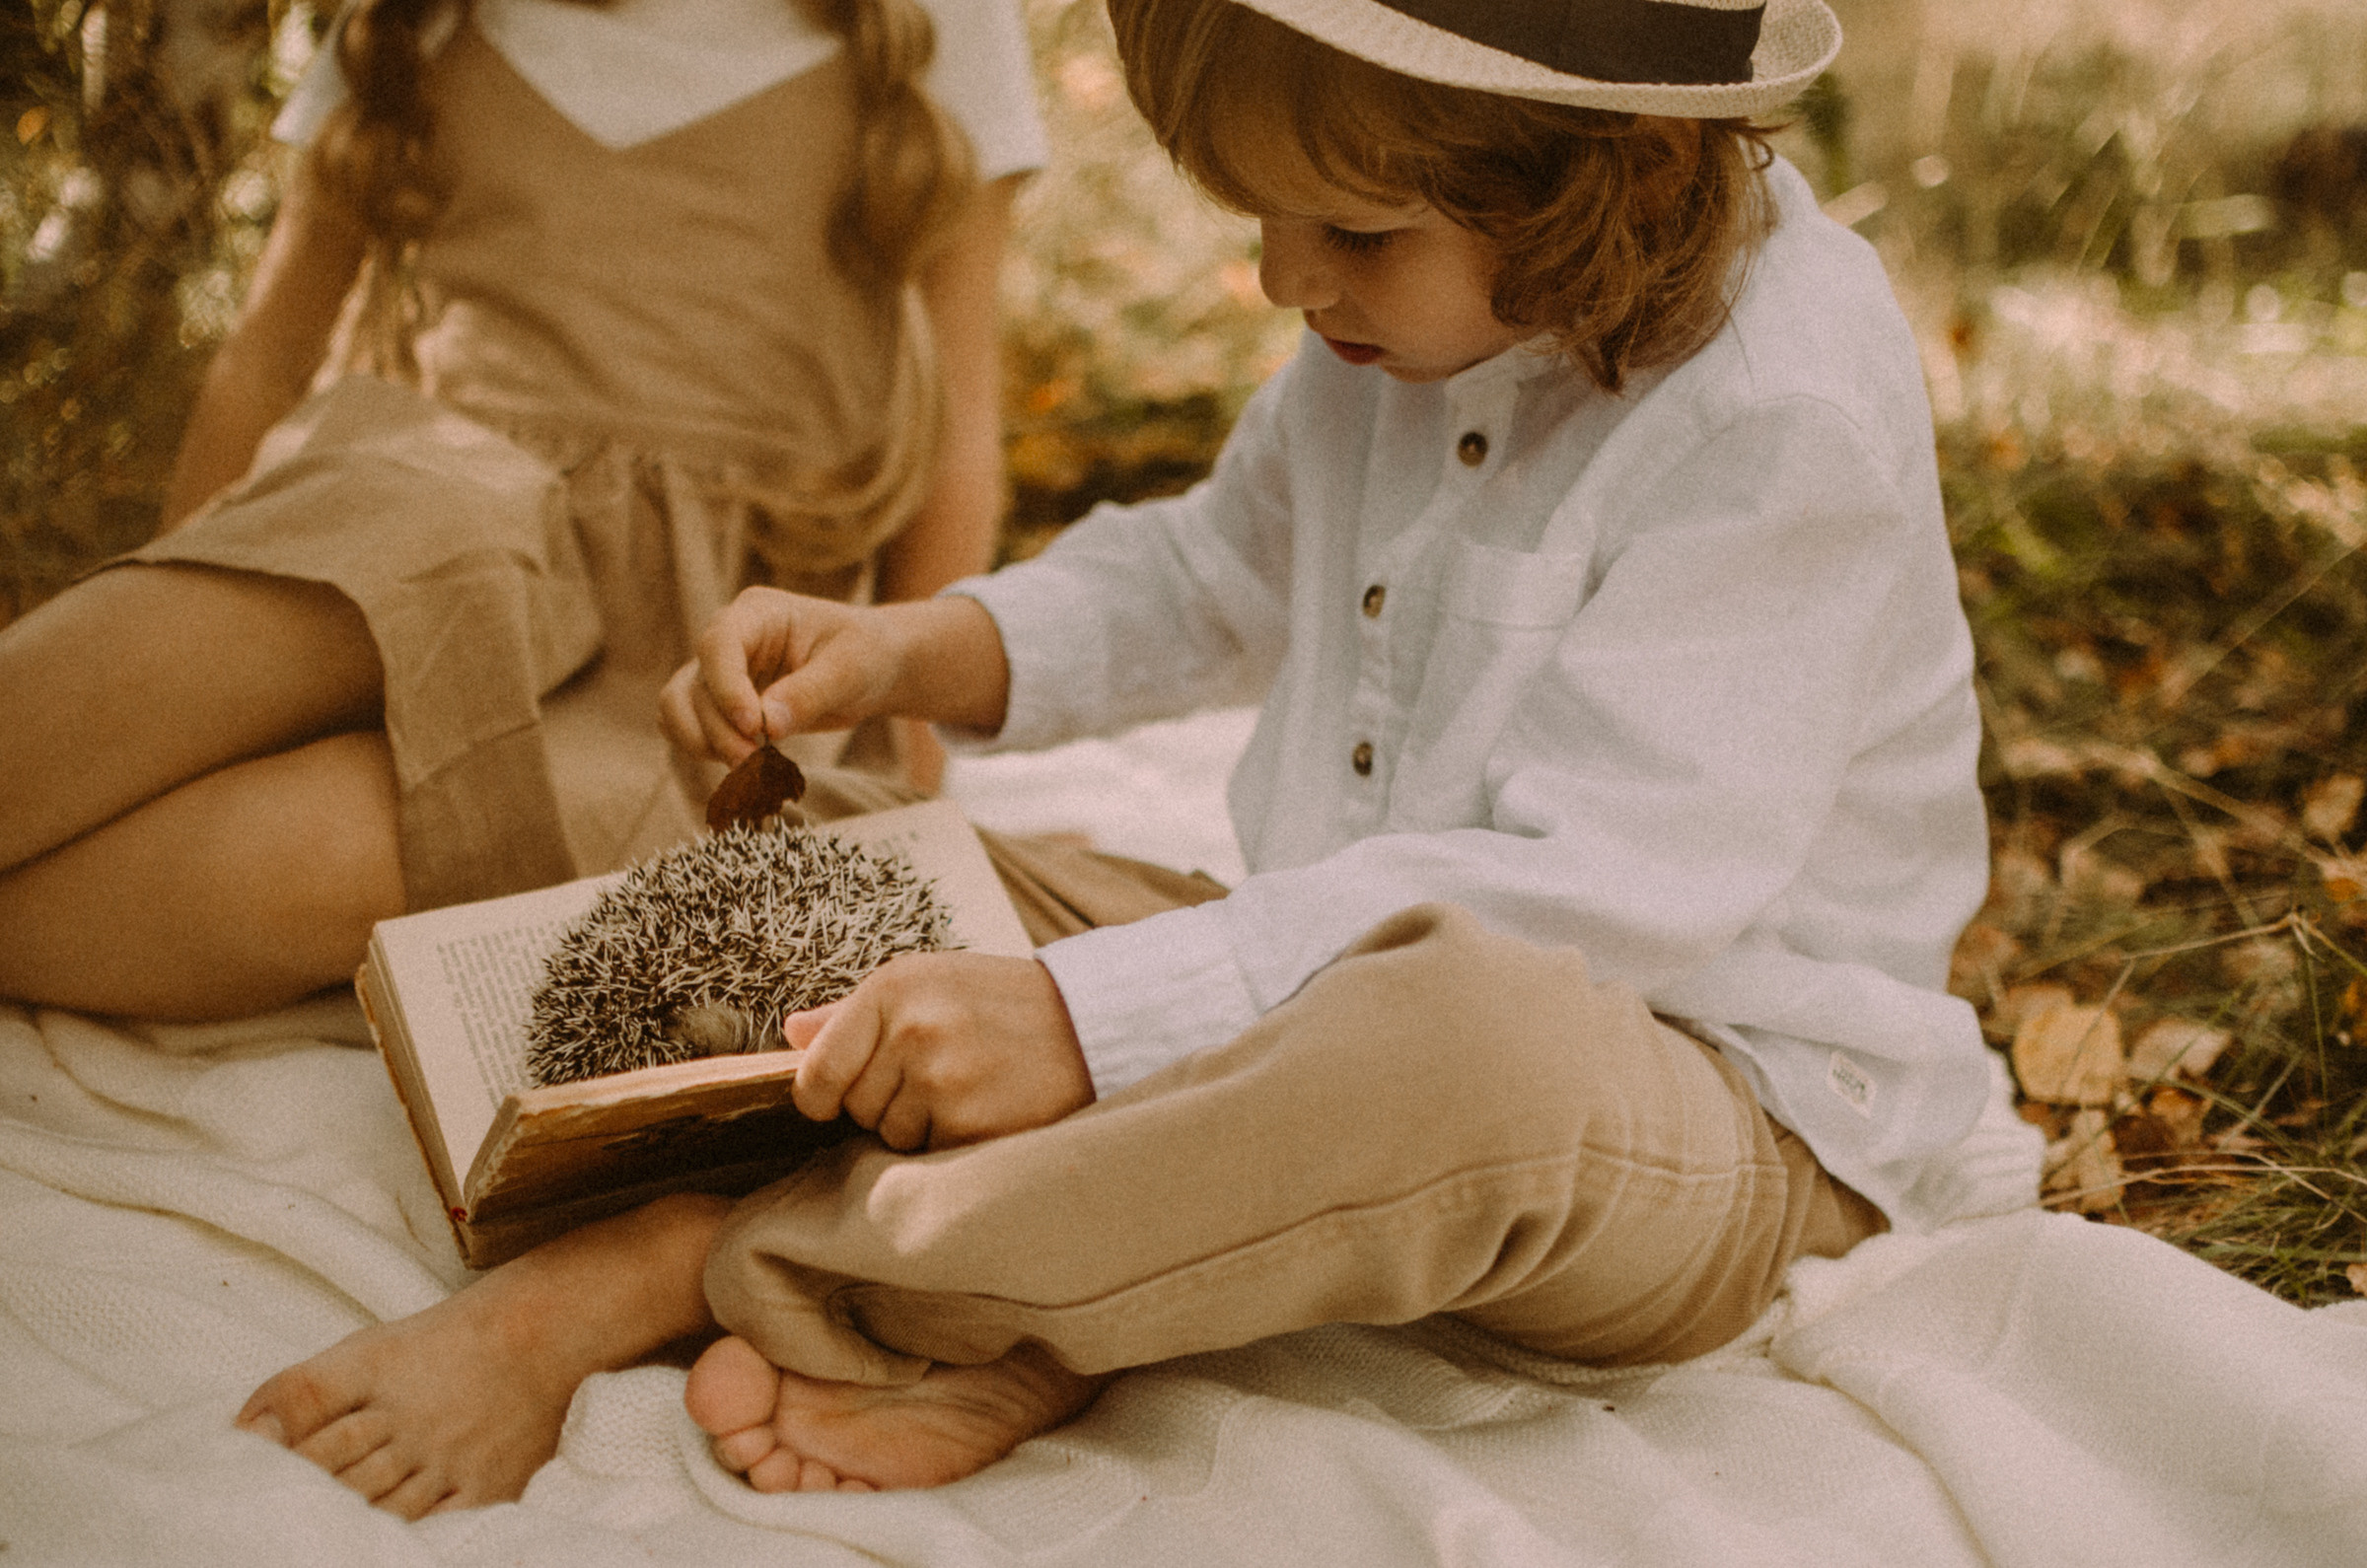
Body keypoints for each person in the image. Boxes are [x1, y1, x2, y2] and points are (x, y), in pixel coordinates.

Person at [238, 0, 2006, 1515]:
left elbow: (1602, 903)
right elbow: (1214, 566)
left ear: (1603, 186)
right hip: (1321, 964)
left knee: (1458, 1043)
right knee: (892, 866)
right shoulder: (1393, 329)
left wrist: (1094, 1021)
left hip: (1701, 1108)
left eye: (1352, 233)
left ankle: (713, 1264)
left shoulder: (1780, 407)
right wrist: (918, 648)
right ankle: (1055, 1287)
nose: (1282, 276)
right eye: (1265, 218)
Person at [0, 0, 1045, 1021]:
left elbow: (958, 433)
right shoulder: (422, 19)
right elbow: (268, 356)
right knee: (93, 703)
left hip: (688, 675)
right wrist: (190, 611)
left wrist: (916, 791)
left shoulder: (937, 24)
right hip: (410, 538)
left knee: (321, 861)